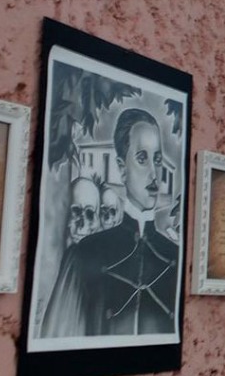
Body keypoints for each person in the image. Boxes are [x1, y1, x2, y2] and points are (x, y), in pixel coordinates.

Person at [40, 108, 179, 338]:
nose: (154, 174)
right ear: (122, 168)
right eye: (142, 159)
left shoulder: (175, 255)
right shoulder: (85, 253)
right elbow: (58, 339)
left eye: (157, 160)